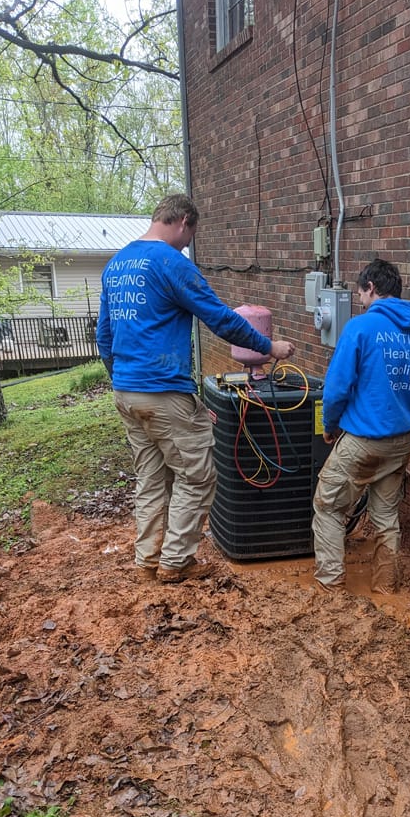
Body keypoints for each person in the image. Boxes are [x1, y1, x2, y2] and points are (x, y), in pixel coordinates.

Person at [96, 194, 295, 583]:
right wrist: (269, 347)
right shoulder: (171, 264)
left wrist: (122, 379)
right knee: (198, 474)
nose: (188, 244)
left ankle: (147, 558)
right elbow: (221, 319)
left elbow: (104, 336)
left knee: (152, 478)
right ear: (184, 221)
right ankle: (176, 561)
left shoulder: (116, 263)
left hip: (126, 391)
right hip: (163, 390)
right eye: (191, 236)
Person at [312, 258, 410, 593]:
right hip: (399, 442)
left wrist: (329, 424)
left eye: (361, 293)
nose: (360, 301)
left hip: (362, 441)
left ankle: (331, 589)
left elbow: (337, 386)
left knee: (328, 507)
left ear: (371, 288)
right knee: (386, 520)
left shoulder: (359, 328)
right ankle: (386, 590)